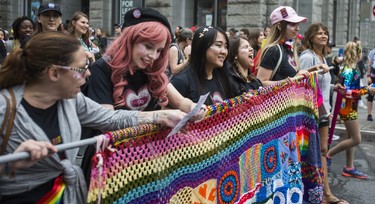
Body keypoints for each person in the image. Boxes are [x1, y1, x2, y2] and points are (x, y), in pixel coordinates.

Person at [0, 31, 187, 203]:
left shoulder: (72, 100)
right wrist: (11, 164)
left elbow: (110, 118)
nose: (88, 73)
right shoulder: (4, 109)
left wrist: (160, 116)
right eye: (81, 69)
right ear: (54, 73)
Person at [300, 23, 348, 204]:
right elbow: (304, 84)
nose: (323, 35)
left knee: (322, 151)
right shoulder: (307, 57)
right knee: (316, 153)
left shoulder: (322, 57)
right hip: (313, 112)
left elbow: (321, 85)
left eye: (325, 33)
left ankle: (322, 193)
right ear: (311, 37)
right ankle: (323, 194)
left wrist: (335, 87)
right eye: (319, 33)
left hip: (323, 112)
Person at [326, 41, 375, 181]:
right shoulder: (349, 70)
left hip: (349, 106)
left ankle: (349, 167)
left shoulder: (350, 69)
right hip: (347, 107)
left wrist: (364, 89)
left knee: (350, 137)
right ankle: (329, 154)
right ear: (357, 54)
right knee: (356, 139)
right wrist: (367, 90)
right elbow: (346, 92)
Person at [171, 26, 235, 104]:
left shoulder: (223, 77)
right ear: (201, 47)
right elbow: (166, 113)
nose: (224, 51)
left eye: (225, 47)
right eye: (218, 45)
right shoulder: (180, 82)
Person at [256, 6, 312, 86]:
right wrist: (291, 81)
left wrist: (314, 69)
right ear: (279, 26)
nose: (297, 29)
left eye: (297, 24)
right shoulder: (274, 50)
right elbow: (261, 83)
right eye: (293, 24)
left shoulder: (289, 49)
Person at [367, 47, 375, 121]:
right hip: (373, 77)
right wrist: (368, 76)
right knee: (371, 95)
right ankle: (369, 114)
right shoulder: (372, 52)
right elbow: (369, 64)